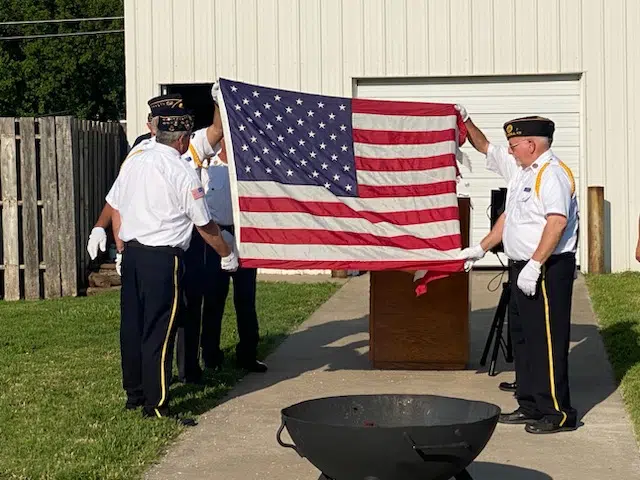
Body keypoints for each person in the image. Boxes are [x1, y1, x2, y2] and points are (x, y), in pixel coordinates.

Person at [105, 107, 238, 425]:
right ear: (181, 139)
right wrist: (226, 254)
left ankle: (134, 395)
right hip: (163, 259)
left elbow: (116, 204)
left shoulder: (136, 159)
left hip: (134, 255)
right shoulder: (182, 171)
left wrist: (119, 246)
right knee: (160, 332)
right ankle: (157, 403)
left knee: (133, 329)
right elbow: (205, 225)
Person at [457, 105, 579, 435]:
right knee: (523, 339)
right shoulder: (521, 170)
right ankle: (529, 404)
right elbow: (508, 217)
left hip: (547, 268)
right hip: (521, 266)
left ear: (532, 143)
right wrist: (480, 248)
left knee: (547, 341)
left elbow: (557, 223)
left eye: (514, 143)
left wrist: (535, 265)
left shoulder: (551, 173)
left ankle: (558, 413)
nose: (509, 149)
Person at [86, 93, 186, 271]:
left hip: (176, 241)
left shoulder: (187, 144)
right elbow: (119, 196)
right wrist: (104, 230)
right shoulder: (140, 149)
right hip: (141, 245)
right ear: (151, 125)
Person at [199, 137, 267, 373]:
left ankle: (248, 355)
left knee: (246, 300)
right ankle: (210, 357)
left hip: (242, 237)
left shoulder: (248, 163)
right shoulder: (207, 164)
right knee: (213, 300)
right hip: (216, 237)